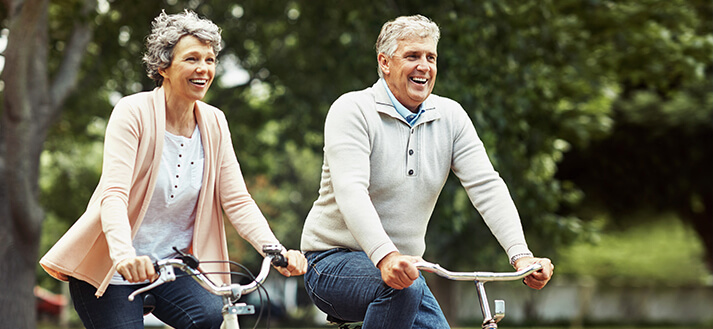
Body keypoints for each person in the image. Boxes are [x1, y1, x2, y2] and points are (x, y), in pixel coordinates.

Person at [40, 10, 307, 329]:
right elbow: (113, 195)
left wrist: (275, 251)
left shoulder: (215, 122)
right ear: (163, 66)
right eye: (192, 58)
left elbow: (237, 200)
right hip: (113, 269)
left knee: (209, 315)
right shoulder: (133, 112)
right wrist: (125, 256)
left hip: (172, 270)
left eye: (209, 60)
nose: (203, 69)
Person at [300, 14, 554, 328]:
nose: (424, 66)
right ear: (385, 62)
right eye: (412, 56)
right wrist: (386, 256)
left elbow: (486, 186)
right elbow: (351, 189)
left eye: (431, 57)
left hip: (406, 272)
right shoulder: (352, 110)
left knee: (410, 290)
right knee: (404, 287)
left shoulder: (451, 116)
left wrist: (521, 255)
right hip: (331, 263)